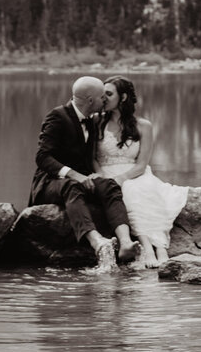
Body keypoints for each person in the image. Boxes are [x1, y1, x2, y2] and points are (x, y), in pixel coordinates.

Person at [29, 75, 139, 271]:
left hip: (82, 180)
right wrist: (74, 175)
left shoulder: (91, 121)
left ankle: (125, 243)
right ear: (90, 100)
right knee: (73, 186)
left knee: (109, 185)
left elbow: (88, 159)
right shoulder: (57, 116)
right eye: (102, 97)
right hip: (51, 183)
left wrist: (95, 175)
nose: (105, 101)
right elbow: (42, 157)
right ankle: (97, 242)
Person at [95, 76, 188, 268]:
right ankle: (146, 247)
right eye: (102, 94)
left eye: (109, 94)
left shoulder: (143, 125)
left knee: (138, 190)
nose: (103, 98)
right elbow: (92, 159)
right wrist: (103, 177)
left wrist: (122, 178)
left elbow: (142, 163)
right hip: (105, 173)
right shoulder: (96, 123)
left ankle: (160, 247)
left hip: (135, 173)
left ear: (123, 97)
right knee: (128, 192)